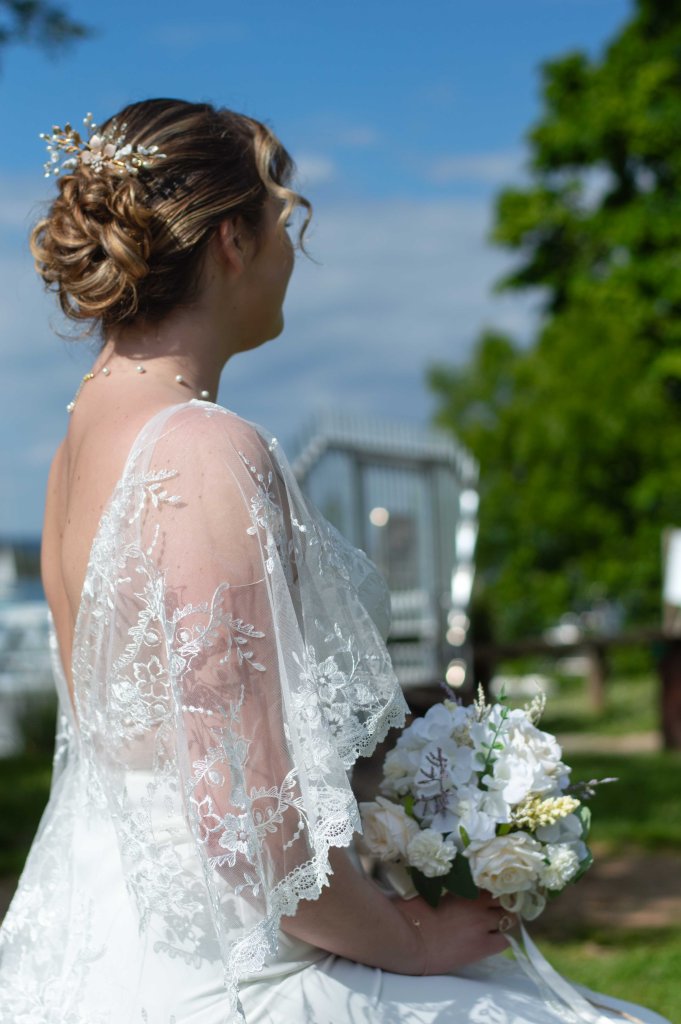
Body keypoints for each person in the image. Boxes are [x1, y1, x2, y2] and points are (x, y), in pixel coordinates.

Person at [0, 98, 668, 1024]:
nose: (292, 248)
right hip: (228, 965)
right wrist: (407, 939)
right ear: (232, 240)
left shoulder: (77, 449)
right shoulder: (198, 448)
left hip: (102, 937)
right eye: (284, 216)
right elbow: (242, 811)